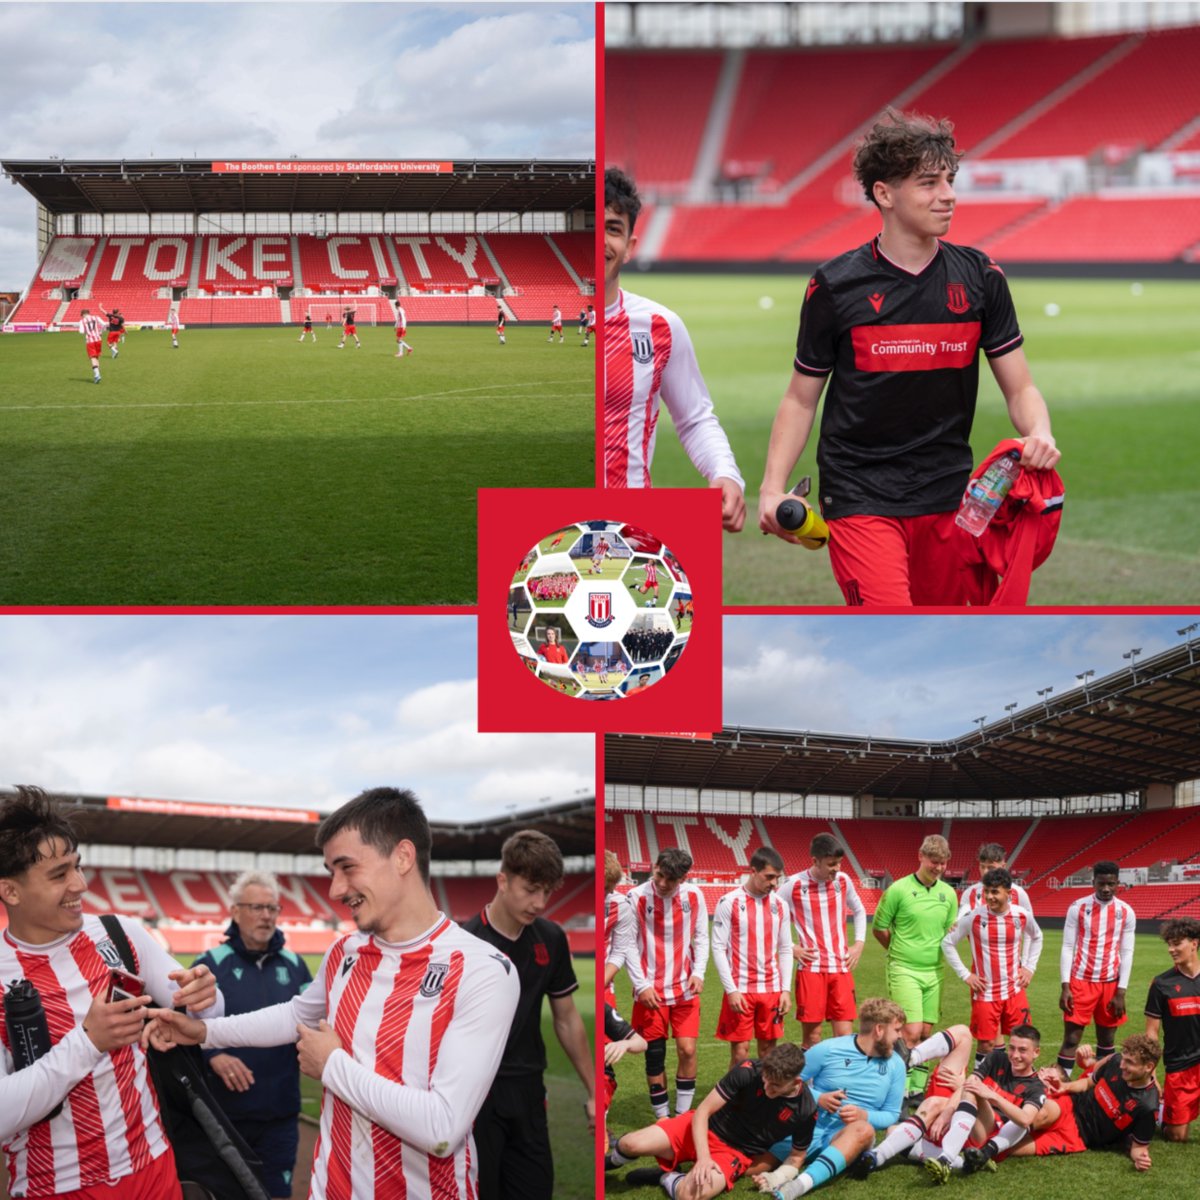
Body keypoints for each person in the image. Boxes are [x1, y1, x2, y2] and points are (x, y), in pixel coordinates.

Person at [143, 786, 520, 1200]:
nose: (336, 890)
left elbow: (442, 1128)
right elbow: (295, 1016)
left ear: (403, 857)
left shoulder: (483, 970)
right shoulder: (346, 951)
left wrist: (332, 1065)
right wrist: (203, 1034)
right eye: (330, 872)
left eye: (347, 867)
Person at [757, 109, 1061, 605]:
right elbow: (800, 398)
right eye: (928, 183)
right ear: (884, 193)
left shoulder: (982, 277)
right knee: (890, 616)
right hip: (859, 494)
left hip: (950, 498)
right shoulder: (834, 286)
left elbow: (1021, 387)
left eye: (949, 180)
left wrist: (1039, 432)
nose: (948, 194)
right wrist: (771, 489)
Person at [0, 785, 222, 1199]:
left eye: (77, 866)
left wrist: (206, 994)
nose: (80, 884)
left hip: (155, 1167)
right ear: (11, 891)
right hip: (57, 1187)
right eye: (59, 874)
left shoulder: (120, 934)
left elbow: (204, 1014)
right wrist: (88, 1043)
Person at [603, 166, 747, 532]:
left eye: (613, 228)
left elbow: (695, 418)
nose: (600, 239)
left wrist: (725, 473)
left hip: (629, 529)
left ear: (630, 247)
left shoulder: (660, 327)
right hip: (544, 519)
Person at [463, 831, 595, 1200]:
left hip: (529, 1090)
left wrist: (593, 1090)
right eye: (531, 889)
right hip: (476, 1093)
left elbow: (567, 1019)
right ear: (503, 880)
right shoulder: (464, 942)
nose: (539, 903)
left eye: (547, 892)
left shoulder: (551, 938)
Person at [192, 870, 313, 1198]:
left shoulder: (296, 965)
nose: (266, 916)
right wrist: (214, 1055)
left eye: (272, 908)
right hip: (227, 1116)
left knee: (276, 1194)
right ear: (235, 912)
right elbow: (187, 1031)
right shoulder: (208, 965)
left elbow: (311, 1025)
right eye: (256, 907)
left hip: (281, 1115)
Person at [605, 1043, 816, 1200]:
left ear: (796, 1082)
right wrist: (704, 1157)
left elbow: (797, 1157)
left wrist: (778, 1177)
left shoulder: (805, 1109)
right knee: (629, 1144)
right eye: (766, 1080)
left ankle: (666, 1176)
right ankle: (605, 1165)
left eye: (776, 1086)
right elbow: (703, 1112)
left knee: (690, 1195)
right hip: (703, 1127)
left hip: (733, 1153)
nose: (768, 1088)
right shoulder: (749, 1070)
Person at [855, 1022, 1046, 1180]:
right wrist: (947, 1112)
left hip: (985, 1134)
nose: (1015, 1055)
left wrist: (991, 1095)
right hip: (962, 1119)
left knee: (973, 1091)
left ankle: (946, 1159)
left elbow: (1025, 1119)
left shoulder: (1036, 1087)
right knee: (896, 1129)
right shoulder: (997, 1057)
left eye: (1023, 1050)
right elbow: (970, 1084)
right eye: (1012, 1048)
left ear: (1036, 1052)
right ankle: (875, 1157)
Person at [763, 998, 908, 1199]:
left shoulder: (897, 1065)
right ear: (879, 1030)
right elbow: (788, 1080)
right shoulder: (829, 1049)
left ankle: (798, 1186)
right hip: (805, 1129)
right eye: (897, 1030)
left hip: (844, 1138)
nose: (900, 1037)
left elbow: (892, 1114)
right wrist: (818, 1097)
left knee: (863, 1129)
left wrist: (864, 1115)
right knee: (749, 1166)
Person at [965, 1035, 1160, 1173]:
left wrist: (1140, 1158)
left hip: (1079, 1137)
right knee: (1039, 1114)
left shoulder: (1147, 1106)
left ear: (1148, 1067)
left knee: (1013, 1150)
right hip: (1071, 1106)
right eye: (1124, 1059)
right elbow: (1087, 1082)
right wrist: (1064, 1087)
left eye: (1130, 1063)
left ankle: (971, 1150)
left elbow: (1138, 1148)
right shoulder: (1115, 1062)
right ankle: (984, 1149)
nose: (1123, 1066)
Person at [871, 834, 957, 1099]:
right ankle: (900, 1088)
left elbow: (948, 933)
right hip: (904, 968)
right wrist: (900, 953)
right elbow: (879, 928)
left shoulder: (949, 894)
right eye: (934, 862)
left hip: (935, 971)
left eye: (943, 863)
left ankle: (918, 1089)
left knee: (927, 1033)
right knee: (910, 1031)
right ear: (920, 856)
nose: (939, 868)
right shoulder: (898, 889)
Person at [627, 848, 709, 1119]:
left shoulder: (695, 896)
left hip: (685, 988)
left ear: (684, 878)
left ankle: (682, 1115)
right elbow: (626, 944)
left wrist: (698, 972)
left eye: (670, 880)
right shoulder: (636, 897)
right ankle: (663, 1118)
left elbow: (701, 937)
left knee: (687, 1049)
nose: (662, 883)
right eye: (659, 874)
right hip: (650, 991)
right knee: (654, 1054)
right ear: (655, 866)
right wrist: (640, 985)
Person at [942, 867, 1042, 1063]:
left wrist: (1030, 967)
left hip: (1014, 990)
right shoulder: (974, 917)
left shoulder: (1021, 915)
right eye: (986, 891)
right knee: (986, 1044)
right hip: (986, 992)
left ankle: (1014, 1085)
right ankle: (982, 1086)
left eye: (994, 891)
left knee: (1022, 1041)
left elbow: (1037, 936)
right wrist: (965, 975)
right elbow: (947, 943)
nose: (989, 896)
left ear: (1008, 892)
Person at [711, 847, 793, 1069]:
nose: (774, 884)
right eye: (769, 877)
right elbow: (718, 948)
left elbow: (785, 948)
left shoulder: (780, 905)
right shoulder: (729, 902)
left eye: (778, 877)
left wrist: (785, 989)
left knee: (769, 1052)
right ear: (753, 871)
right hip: (741, 989)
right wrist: (731, 990)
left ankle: (763, 1099)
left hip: (772, 990)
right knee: (740, 1054)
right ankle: (736, 1100)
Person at [782, 833, 866, 1048]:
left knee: (845, 1037)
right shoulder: (793, 884)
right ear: (815, 861)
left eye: (839, 863)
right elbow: (769, 916)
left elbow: (858, 909)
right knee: (813, 1036)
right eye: (831, 864)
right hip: (811, 969)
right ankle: (807, 1082)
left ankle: (840, 1082)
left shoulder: (843, 881)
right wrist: (790, 947)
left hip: (840, 968)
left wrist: (859, 944)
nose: (836, 869)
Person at [1057, 860, 1136, 1075]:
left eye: (1111, 884)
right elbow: (1067, 946)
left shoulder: (1126, 912)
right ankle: (1061, 1086)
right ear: (1093, 882)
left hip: (1111, 984)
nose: (1106, 888)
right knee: (1072, 1039)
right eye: (1101, 883)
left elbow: (1127, 952)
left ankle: (1101, 1085)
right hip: (1081, 981)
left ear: (1118, 883)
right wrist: (1066, 986)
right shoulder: (1078, 907)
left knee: (1107, 1040)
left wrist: (1121, 991)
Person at [1144, 916, 1200, 1143]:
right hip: (1181, 1065)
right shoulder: (1161, 984)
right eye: (1169, 944)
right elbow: (1151, 1033)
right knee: (1176, 1136)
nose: (1171, 949)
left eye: (1177, 943)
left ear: (1194, 943)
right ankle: (1161, 1113)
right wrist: (1151, 1071)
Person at [957, 842, 1031, 916]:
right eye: (982, 867)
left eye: (991, 867)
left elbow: (1029, 923)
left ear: (1003, 867)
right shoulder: (969, 893)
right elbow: (961, 922)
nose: (985, 872)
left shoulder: (1019, 893)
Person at [79, 306, 106, 383]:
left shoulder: (82, 321)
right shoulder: (96, 317)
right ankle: (98, 374)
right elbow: (104, 324)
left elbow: (81, 331)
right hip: (98, 339)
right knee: (97, 357)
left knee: (92, 357)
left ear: (83, 314)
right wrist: (100, 332)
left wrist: (87, 332)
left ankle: (97, 375)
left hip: (90, 341)